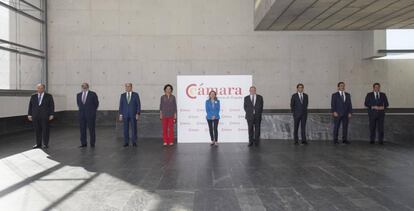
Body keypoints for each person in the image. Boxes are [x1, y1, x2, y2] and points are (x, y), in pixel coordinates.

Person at [28, 83, 55, 149]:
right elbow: (30, 106)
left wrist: (51, 114)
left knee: (45, 130)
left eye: (41, 88)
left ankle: (45, 144)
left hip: (45, 116)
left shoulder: (49, 96)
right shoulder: (33, 96)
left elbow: (52, 105)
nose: (40, 89)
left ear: (44, 89)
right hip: (35, 116)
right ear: (37, 89)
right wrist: (29, 114)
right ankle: (38, 144)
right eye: (38, 88)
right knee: (37, 130)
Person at [77, 83, 99, 148]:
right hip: (81, 115)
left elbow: (96, 104)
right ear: (81, 87)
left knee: (91, 129)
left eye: (85, 86)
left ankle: (92, 143)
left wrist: (92, 111)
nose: (84, 87)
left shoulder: (93, 94)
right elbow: (79, 104)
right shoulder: (78, 95)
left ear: (88, 87)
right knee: (82, 129)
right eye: (83, 86)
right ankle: (83, 143)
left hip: (90, 115)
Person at [119, 83, 141, 147]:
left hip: (133, 114)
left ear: (131, 87)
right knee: (125, 129)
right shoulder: (122, 95)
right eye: (126, 86)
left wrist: (138, 113)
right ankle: (126, 142)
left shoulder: (136, 95)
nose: (127, 87)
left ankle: (134, 142)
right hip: (125, 114)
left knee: (134, 128)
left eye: (129, 86)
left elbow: (138, 105)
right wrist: (120, 115)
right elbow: (121, 105)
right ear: (125, 87)